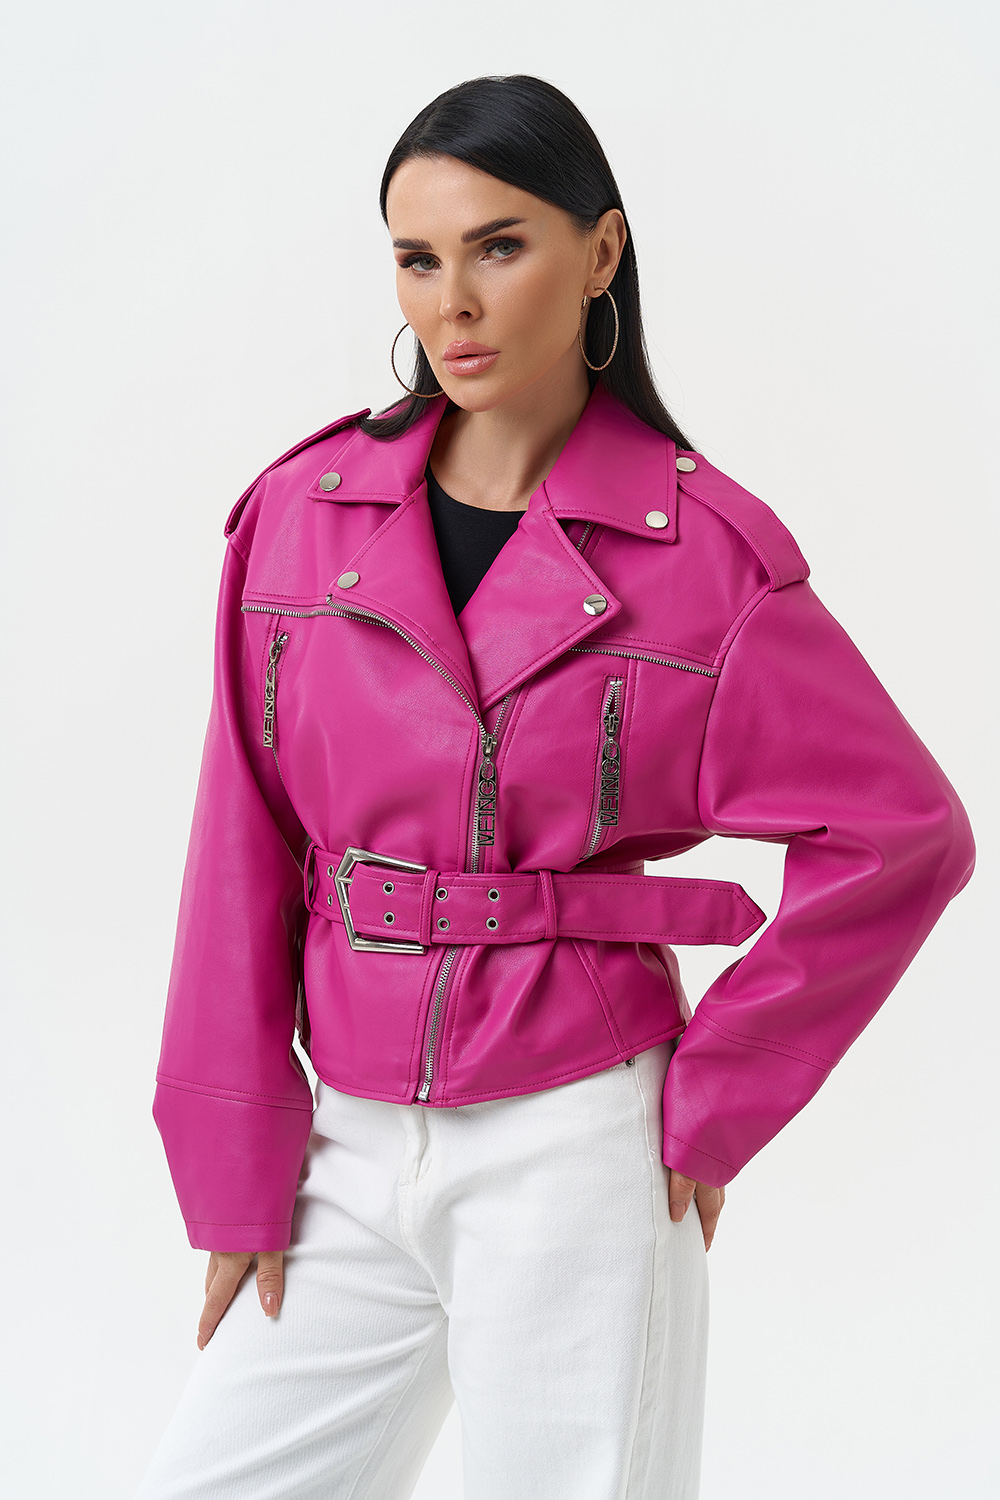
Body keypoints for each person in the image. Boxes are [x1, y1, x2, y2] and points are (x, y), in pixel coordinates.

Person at [135, 74, 975, 1500]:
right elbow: (241, 840)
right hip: (347, 1138)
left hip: (577, 1139)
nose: (452, 303)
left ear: (601, 251)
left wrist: (718, 1094)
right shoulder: (298, 518)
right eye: (418, 259)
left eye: (499, 246)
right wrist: (232, 1153)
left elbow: (903, 835)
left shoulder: (706, 559)